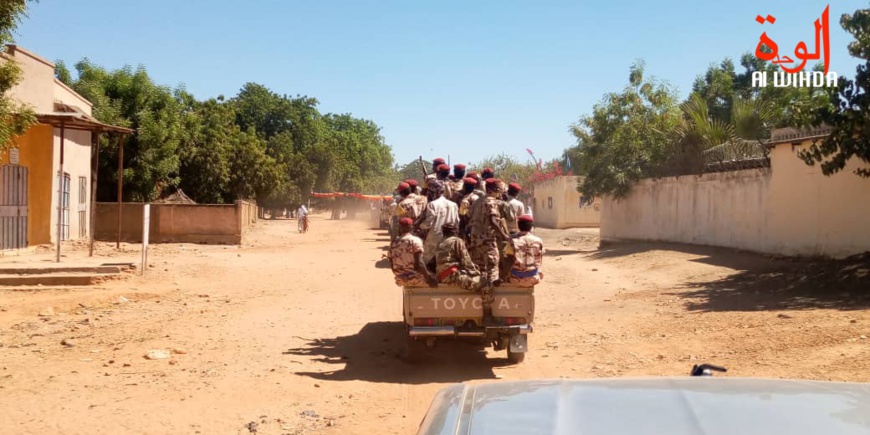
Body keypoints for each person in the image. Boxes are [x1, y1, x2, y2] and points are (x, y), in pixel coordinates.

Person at [468, 178, 511, 286]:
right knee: (492, 269)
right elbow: (493, 221)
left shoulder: (477, 201)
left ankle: (479, 294)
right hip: (488, 240)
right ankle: (491, 296)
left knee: (480, 270)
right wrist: (504, 235)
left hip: (475, 240)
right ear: (493, 189)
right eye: (499, 190)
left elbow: (469, 217)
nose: (500, 193)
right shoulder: (491, 201)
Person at [420, 180, 459, 267]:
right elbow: (457, 221)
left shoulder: (432, 204)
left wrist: (420, 226)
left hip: (434, 238)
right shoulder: (453, 204)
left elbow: (428, 223)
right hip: (450, 238)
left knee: (427, 263)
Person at [389, 218, 438, 288]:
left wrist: (400, 274)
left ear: (400, 227)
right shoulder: (415, 241)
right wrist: (429, 278)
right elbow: (419, 263)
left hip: (400, 279)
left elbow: (391, 261)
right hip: (414, 279)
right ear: (411, 227)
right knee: (436, 277)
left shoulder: (394, 242)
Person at [505, 215, 544, 287]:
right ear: (531, 227)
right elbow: (540, 259)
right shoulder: (539, 241)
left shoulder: (512, 241)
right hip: (534, 278)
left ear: (518, 226)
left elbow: (507, 258)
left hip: (516, 279)